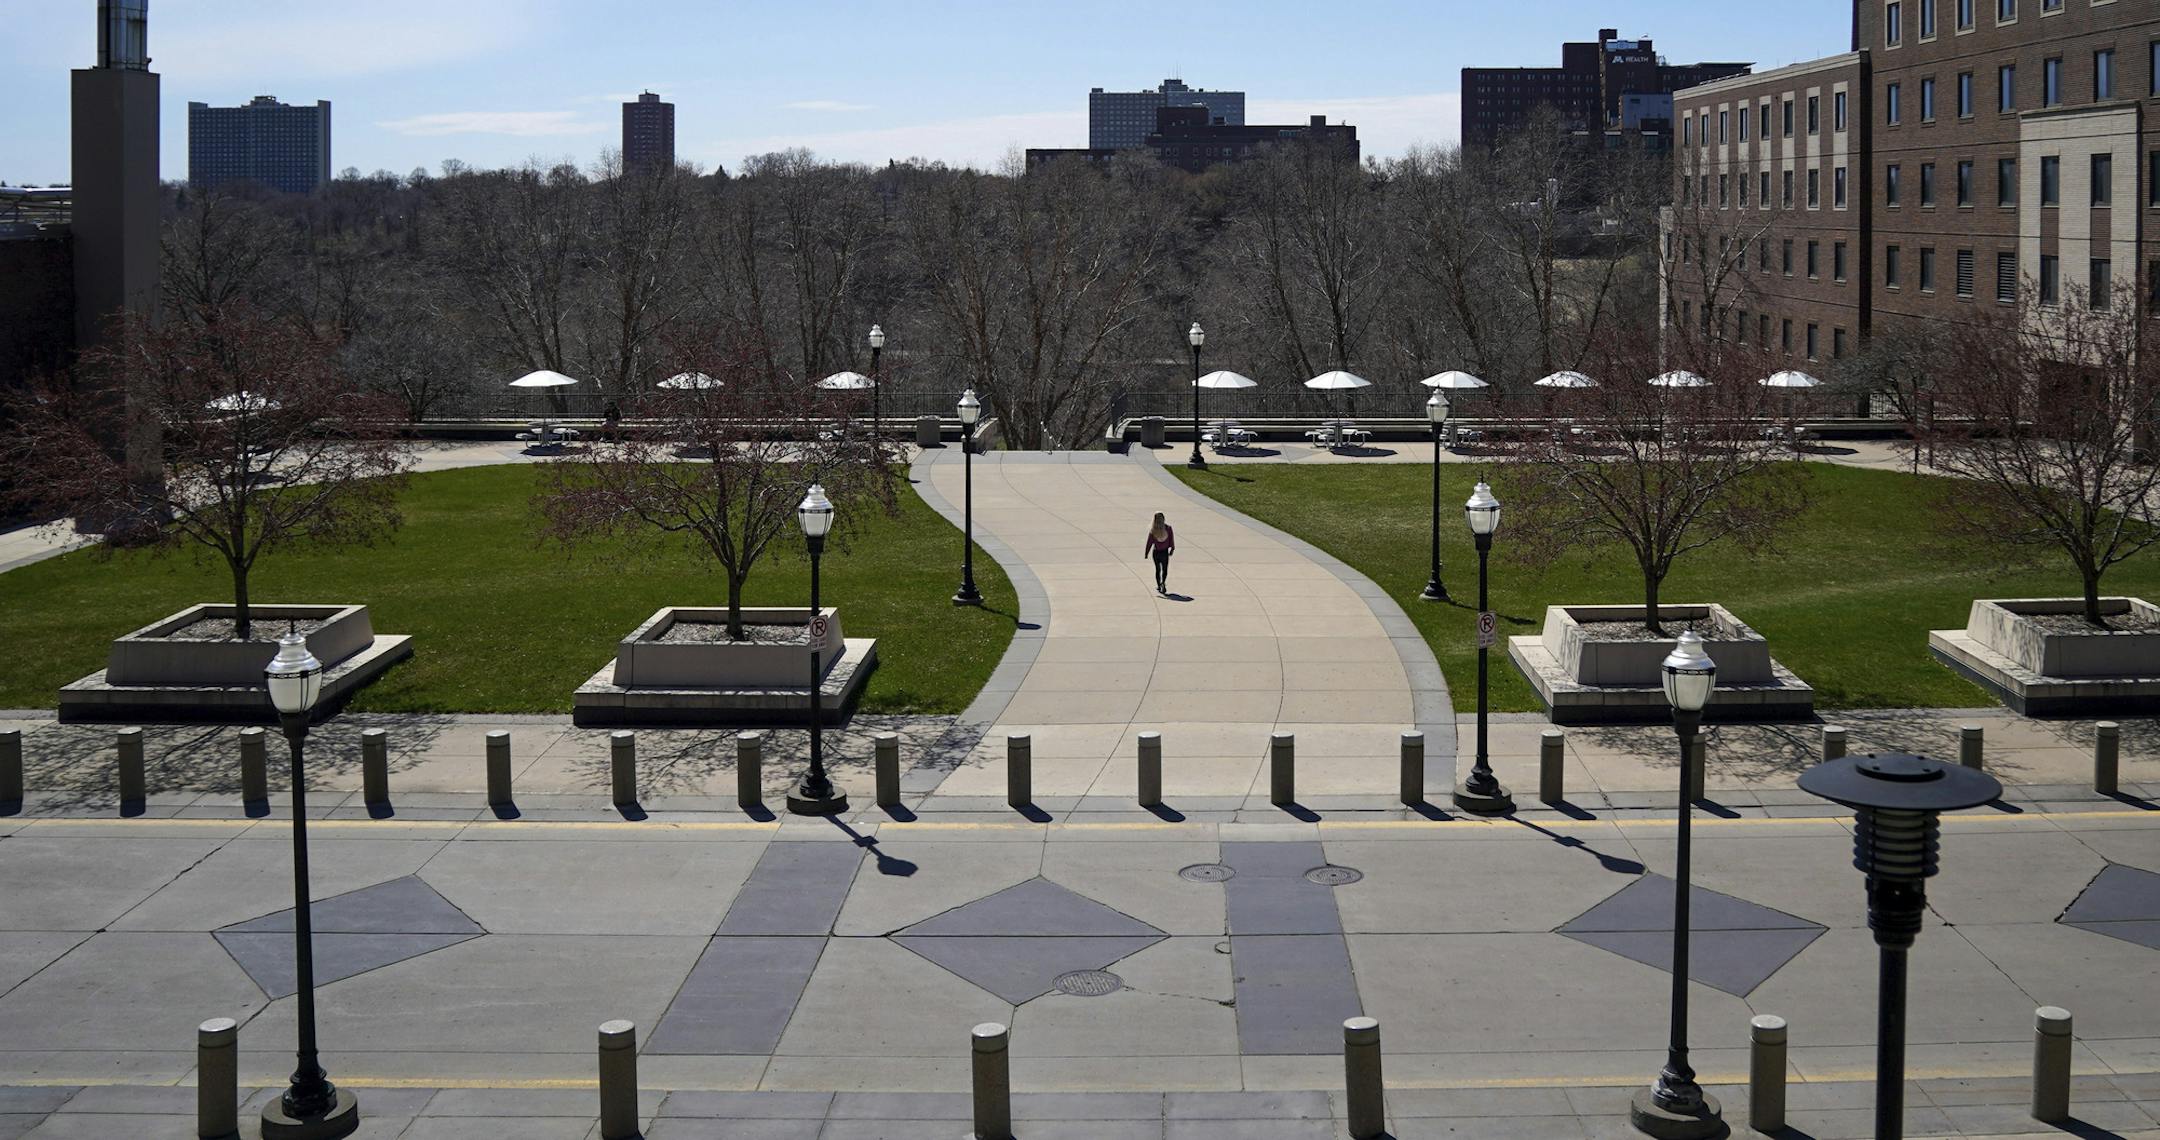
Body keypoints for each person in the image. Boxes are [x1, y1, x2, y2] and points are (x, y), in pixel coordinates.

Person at [1144, 512, 1175, 595]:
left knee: (1158, 570)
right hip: (1164, 553)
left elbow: (1149, 543)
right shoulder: (1168, 528)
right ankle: (1163, 582)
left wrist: (1146, 553)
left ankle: (1158, 585)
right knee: (1165, 569)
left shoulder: (1153, 530)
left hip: (1156, 552)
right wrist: (1172, 548)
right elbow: (1171, 539)